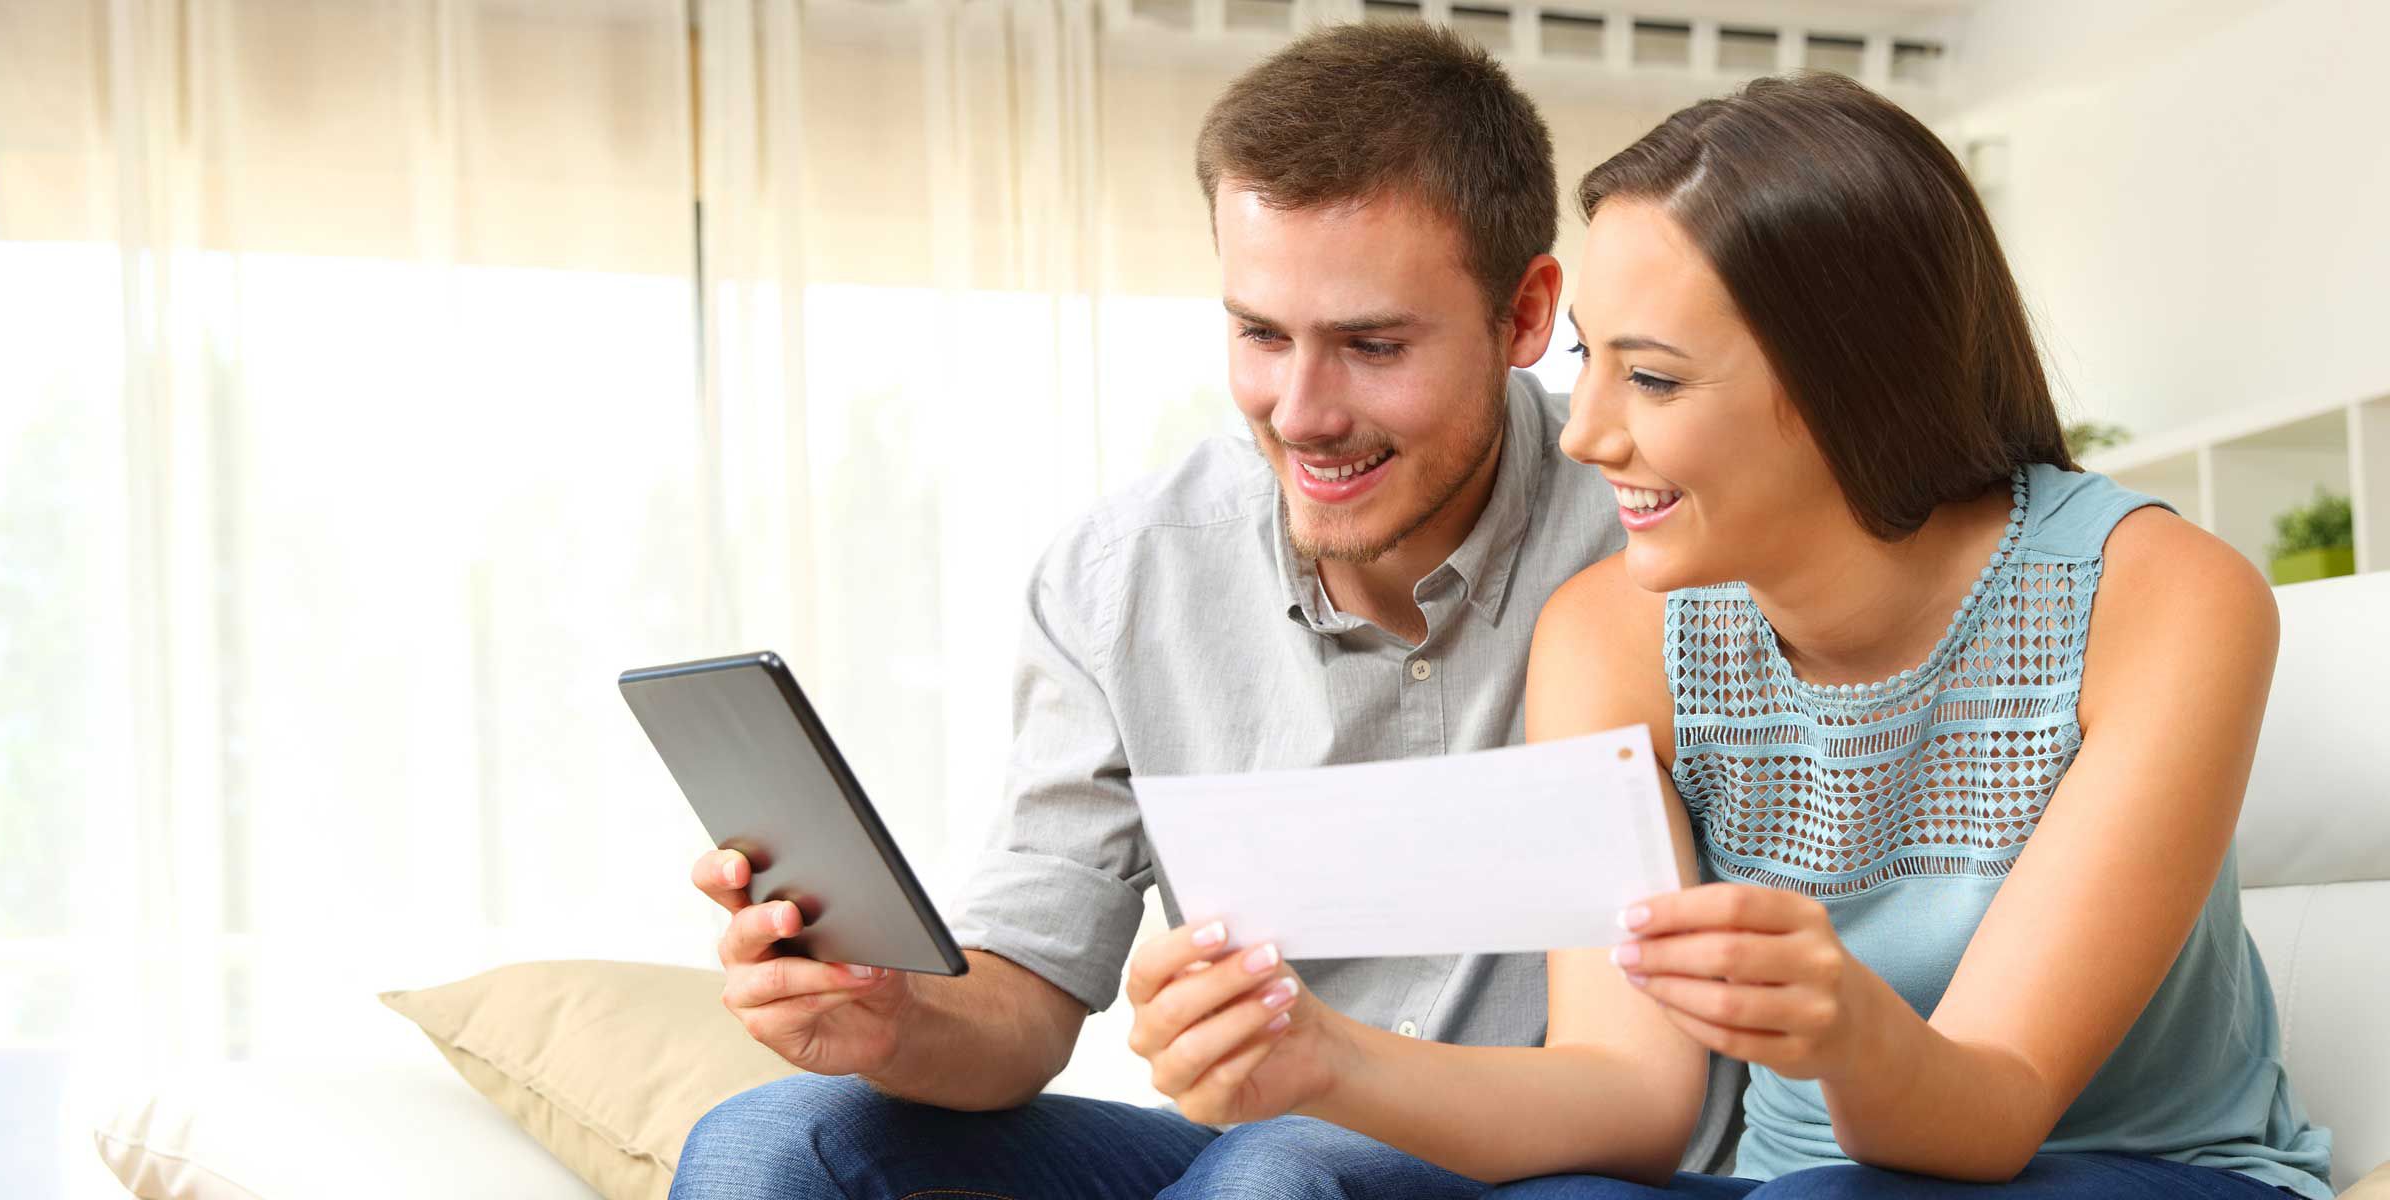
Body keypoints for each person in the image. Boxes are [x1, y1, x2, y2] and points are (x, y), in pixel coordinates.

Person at [1123, 71, 2336, 1199]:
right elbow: (1632, 1095)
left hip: (2143, 1167)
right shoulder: (1612, 635)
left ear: (1848, 383)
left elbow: (1997, 1107)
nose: (1582, 434)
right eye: (1591, 359)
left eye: (1649, 380)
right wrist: (1319, 1057)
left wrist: (1847, 1028)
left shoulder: (2161, 596)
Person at [668, 25, 1739, 1200]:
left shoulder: (1665, 527)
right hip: (1266, 1153)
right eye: (1260, 335)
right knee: (775, 1140)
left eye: (1373, 345)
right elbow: (1022, 996)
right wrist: (893, 1015)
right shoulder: (1121, 581)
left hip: (1574, 1166)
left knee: (1278, 1173)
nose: (1302, 411)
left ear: (1528, 314)